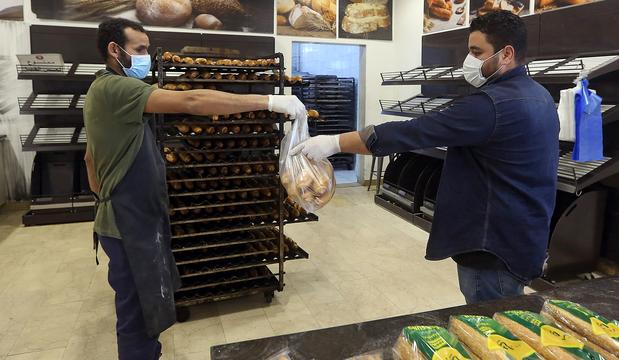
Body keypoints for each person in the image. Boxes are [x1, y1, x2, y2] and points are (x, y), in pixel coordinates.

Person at [292, 11, 560, 304]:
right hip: (523, 236)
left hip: (490, 245)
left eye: (476, 52)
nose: (469, 62)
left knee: (492, 328)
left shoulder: (490, 105)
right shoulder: (540, 95)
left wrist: (334, 142)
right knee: (510, 317)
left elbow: (413, 132)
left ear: (506, 54)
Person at [83, 18, 307, 360]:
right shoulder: (117, 88)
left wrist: (106, 201)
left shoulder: (101, 90)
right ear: (115, 50)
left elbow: (89, 159)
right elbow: (194, 101)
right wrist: (269, 102)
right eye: (140, 50)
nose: (145, 57)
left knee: (146, 305)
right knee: (136, 312)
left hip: (130, 218)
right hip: (127, 224)